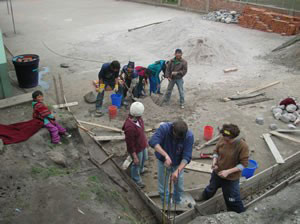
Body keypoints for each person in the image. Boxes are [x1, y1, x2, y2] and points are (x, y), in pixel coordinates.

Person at [199, 124, 249, 213]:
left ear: (234, 138)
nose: (225, 141)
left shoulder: (242, 146)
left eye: (227, 140)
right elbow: (216, 151)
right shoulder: (223, 138)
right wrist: (214, 162)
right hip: (218, 172)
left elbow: (243, 164)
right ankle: (205, 196)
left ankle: (238, 214)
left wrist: (228, 172)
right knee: (211, 187)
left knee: (232, 198)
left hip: (231, 178)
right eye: (224, 138)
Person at [148, 120, 194, 205]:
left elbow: (187, 156)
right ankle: (166, 204)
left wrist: (178, 171)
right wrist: (165, 155)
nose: (178, 139)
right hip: (163, 162)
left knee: (179, 186)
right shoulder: (164, 128)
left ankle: (177, 202)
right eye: (177, 137)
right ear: (173, 130)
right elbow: (153, 142)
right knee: (163, 187)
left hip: (178, 164)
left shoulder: (189, 136)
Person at [122, 102, 148, 188]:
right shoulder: (130, 128)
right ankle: (136, 179)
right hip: (136, 149)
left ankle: (141, 170)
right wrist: (135, 156)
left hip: (142, 145)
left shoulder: (139, 120)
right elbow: (130, 144)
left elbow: (142, 132)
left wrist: (145, 141)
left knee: (144, 158)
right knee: (136, 163)